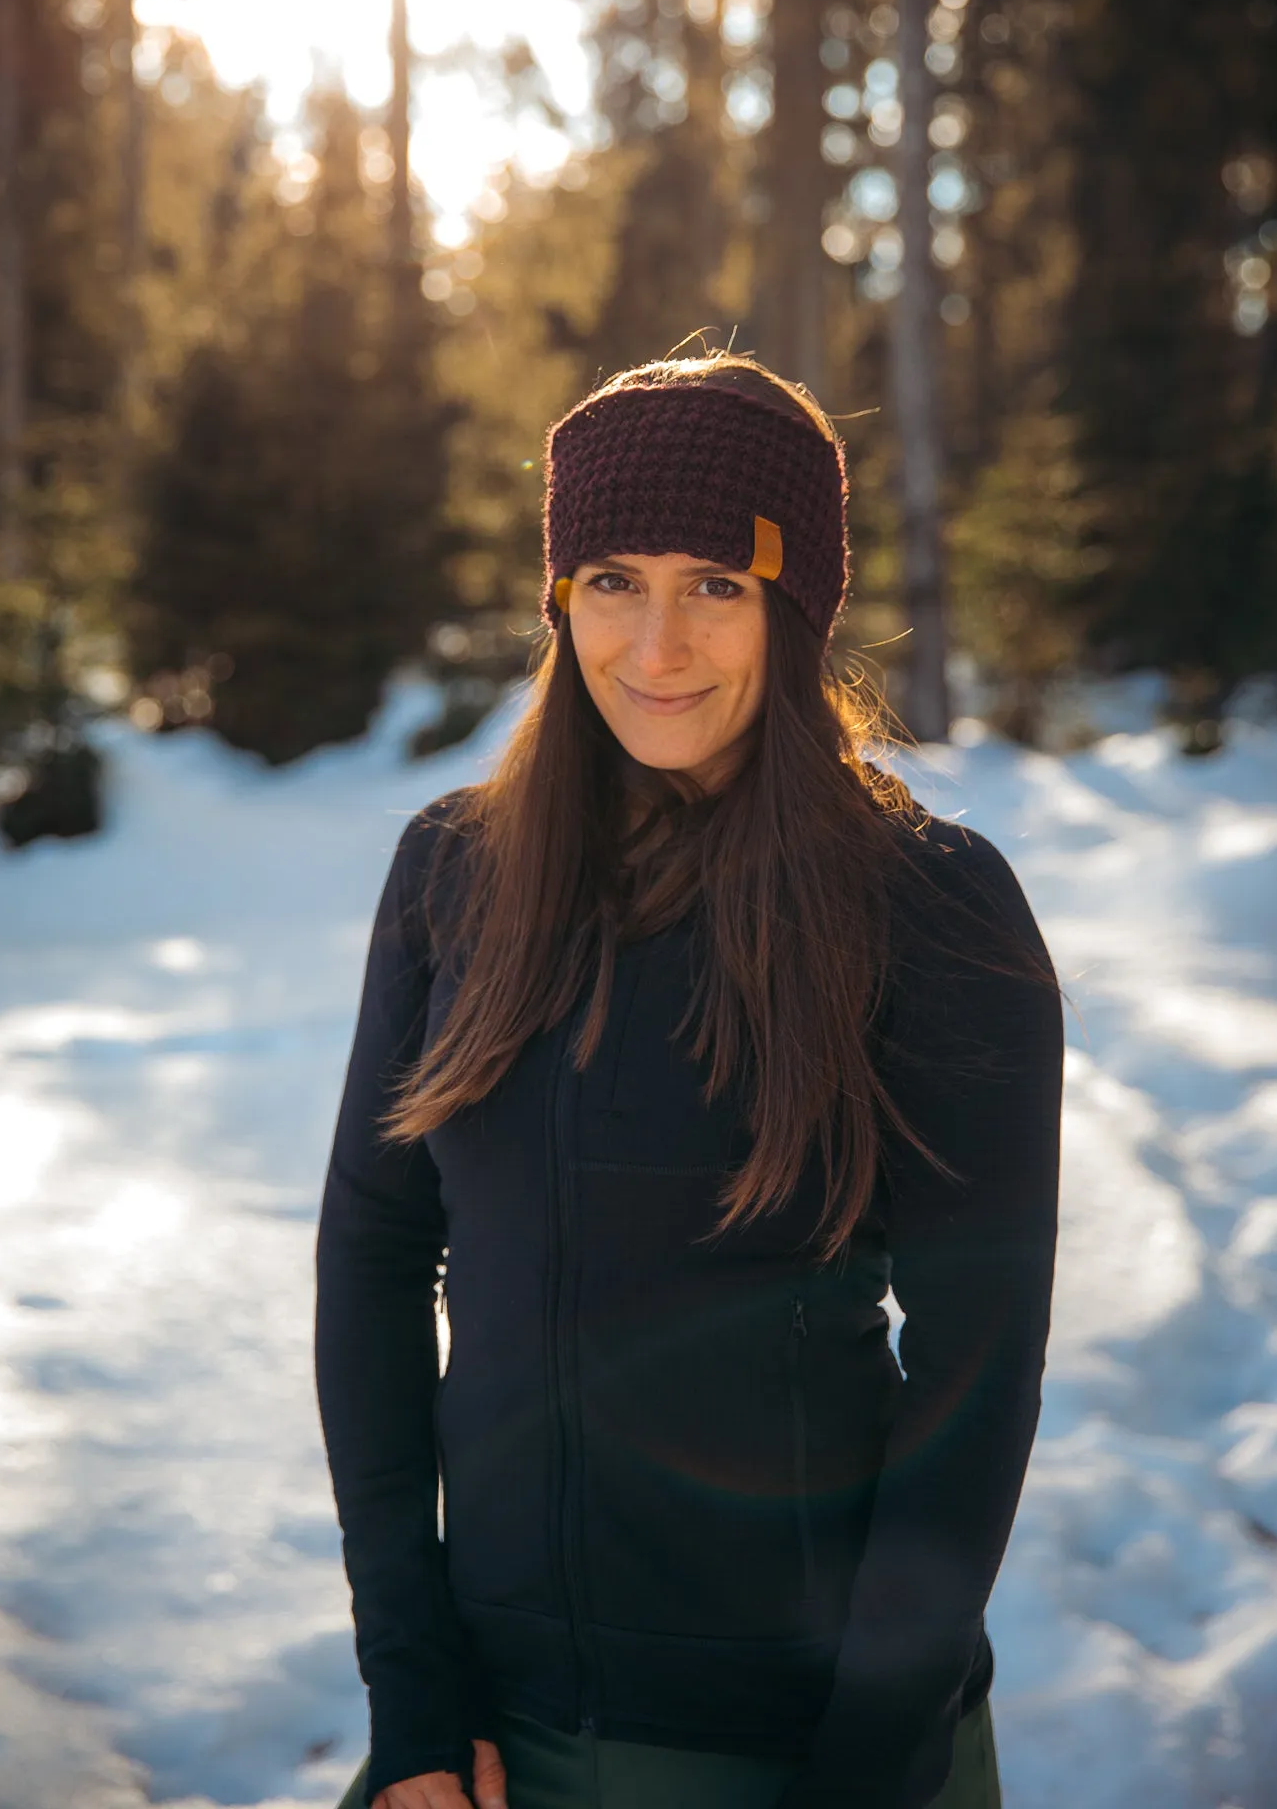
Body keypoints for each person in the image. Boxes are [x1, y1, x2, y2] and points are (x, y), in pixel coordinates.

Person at [316, 355, 1064, 1809]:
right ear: (558, 599)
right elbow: (374, 1255)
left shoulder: (933, 908)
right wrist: (412, 1695)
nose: (655, 644)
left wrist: (866, 1762)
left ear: (796, 607)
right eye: (610, 579)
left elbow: (979, 1363)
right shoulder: (455, 875)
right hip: (489, 1735)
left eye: (716, 583)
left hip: (795, 1742)